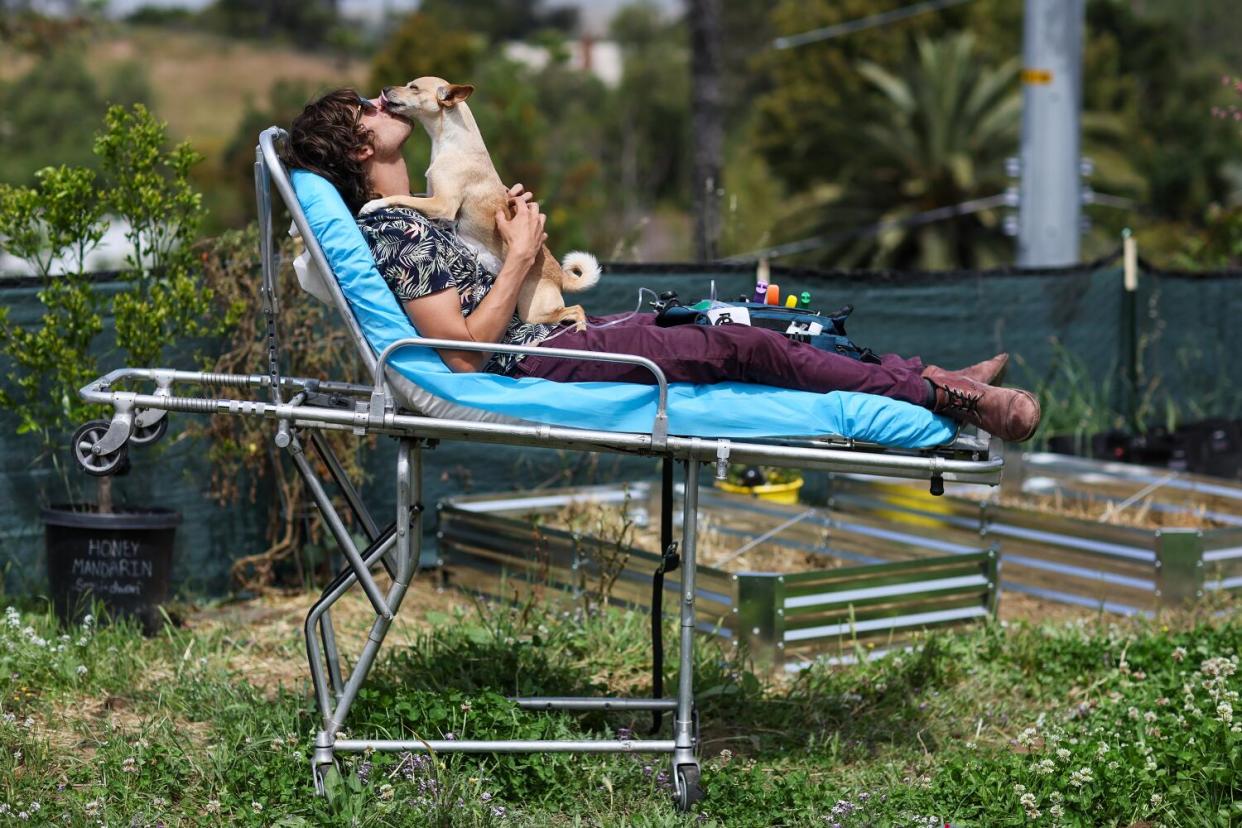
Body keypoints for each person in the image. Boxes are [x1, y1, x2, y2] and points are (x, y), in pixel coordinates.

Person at [286, 89, 1040, 442]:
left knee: (740, 317)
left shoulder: (418, 219)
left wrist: (511, 241)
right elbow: (459, 353)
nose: (387, 104)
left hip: (552, 347)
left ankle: (927, 377)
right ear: (361, 150)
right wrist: (517, 259)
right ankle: (949, 397)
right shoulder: (391, 235)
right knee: (738, 344)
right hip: (535, 365)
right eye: (370, 109)